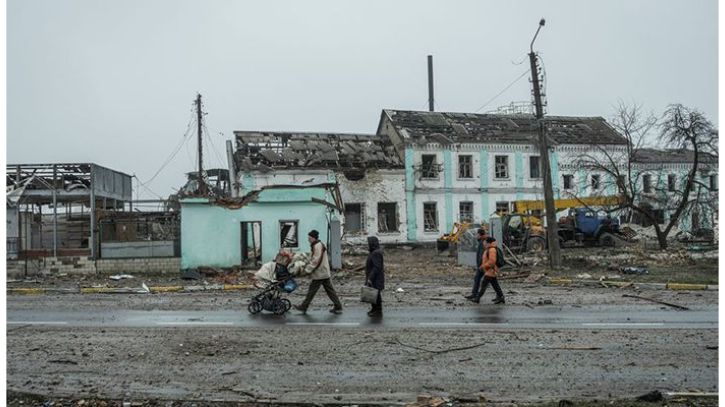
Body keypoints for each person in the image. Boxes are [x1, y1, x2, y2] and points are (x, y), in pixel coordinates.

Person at [294, 230, 343, 314]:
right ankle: (338, 306)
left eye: (309, 238)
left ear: (313, 238)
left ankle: (304, 306)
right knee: (329, 290)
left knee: (312, 290)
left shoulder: (317, 246)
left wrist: (308, 270)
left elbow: (316, 260)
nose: (308, 239)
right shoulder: (317, 245)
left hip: (320, 272)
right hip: (323, 271)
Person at [473, 236, 505, 304]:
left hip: (490, 270)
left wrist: (483, 266)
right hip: (490, 270)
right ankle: (501, 297)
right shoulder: (489, 249)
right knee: (495, 285)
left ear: (488, 243)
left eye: (485, 242)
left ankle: (477, 298)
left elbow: (492, 261)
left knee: (484, 285)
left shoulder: (492, 250)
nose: (483, 243)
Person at [465, 228, 487, 301]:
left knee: (492, 281)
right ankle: (474, 294)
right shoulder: (481, 241)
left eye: (477, 234)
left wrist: (480, 265)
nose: (475, 236)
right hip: (482, 265)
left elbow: (482, 255)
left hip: (483, 265)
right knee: (477, 279)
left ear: (480, 235)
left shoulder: (483, 242)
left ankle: (500, 295)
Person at [365, 236, 385, 317]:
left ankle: (378, 310)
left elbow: (377, 267)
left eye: (369, 243)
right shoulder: (374, 252)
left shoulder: (376, 253)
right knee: (373, 294)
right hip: (374, 278)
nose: (368, 244)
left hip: (376, 278)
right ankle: (374, 309)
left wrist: (370, 278)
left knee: (376, 295)